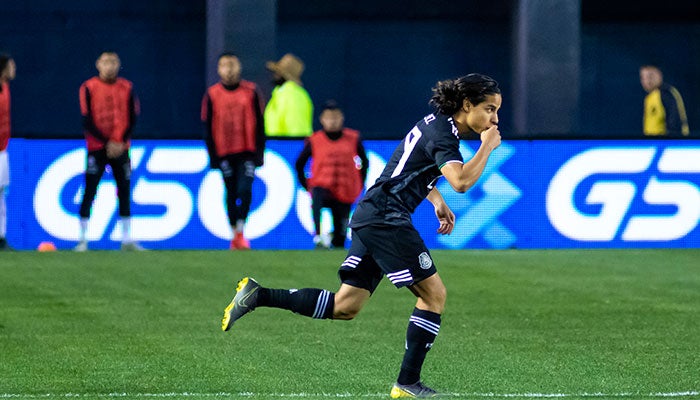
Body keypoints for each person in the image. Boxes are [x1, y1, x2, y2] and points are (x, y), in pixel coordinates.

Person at [221, 74, 503, 398]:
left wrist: (435, 199)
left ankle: (257, 295)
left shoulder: (436, 124)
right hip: (386, 218)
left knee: (345, 306)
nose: (495, 119)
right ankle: (407, 383)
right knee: (434, 295)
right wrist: (486, 148)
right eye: (489, 109)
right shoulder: (445, 133)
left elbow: (405, 169)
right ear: (467, 105)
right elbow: (462, 182)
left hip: (373, 214)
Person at [75, 51, 142, 251]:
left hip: (121, 146)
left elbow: (133, 116)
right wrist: (107, 142)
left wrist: (120, 142)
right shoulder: (88, 87)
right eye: (106, 62)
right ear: (98, 64)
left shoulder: (127, 88)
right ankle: (83, 238)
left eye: (113, 62)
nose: (110, 66)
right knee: (90, 189)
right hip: (97, 147)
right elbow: (87, 120)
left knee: (124, 189)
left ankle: (126, 238)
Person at [201, 52, 265, 250]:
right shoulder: (212, 94)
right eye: (224, 66)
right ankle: (234, 233)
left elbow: (260, 123)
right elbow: (207, 126)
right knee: (230, 191)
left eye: (232, 65)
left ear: (239, 67)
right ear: (219, 69)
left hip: (247, 150)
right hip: (224, 152)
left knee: (245, 190)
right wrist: (213, 156)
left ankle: (240, 231)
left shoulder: (251, 91)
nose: (229, 70)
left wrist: (259, 154)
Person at [295, 100, 368, 248]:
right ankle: (318, 235)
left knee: (340, 239)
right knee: (317, 196)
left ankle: (334, 241)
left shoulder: (353, 138)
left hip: (344, 190)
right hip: (323, 186)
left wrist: (358, 184)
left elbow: (364, 162)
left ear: (342, 119)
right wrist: (306, 185)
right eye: (329, 118)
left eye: (336, 117)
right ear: (322, 120)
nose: (332, 122)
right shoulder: (315, 140)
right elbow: (299, 163)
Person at [263, 53, 313, 137]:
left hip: (287, 147)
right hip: (277, 145)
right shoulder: (281, 93)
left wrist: (293, 148)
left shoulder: (293, 95)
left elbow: (296, 128)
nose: (274, 74)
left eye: (278, 72)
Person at [639, 65, 690, 137]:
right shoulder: (649, 98)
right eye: (643, 77)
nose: (647, 81)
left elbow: (675, 121)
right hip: (653, 144)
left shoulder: (667, 93)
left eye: (651, 76)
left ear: (659, 74)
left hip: (667, 144)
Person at [0, 53, 16, 251]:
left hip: (2, 150)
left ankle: (1, 236)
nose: (14, 69)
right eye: (11, 65)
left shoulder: (5, 88)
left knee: (1, 194)